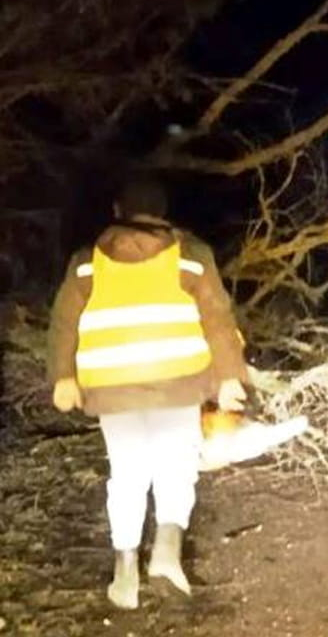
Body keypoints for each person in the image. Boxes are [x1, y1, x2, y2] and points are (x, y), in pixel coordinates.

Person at [46, 177, 249, 609]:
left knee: (128, 473)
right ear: (163, 212)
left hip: (111, 389)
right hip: (178, 383)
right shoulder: (191, 257)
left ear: (118, 210)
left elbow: (64, 322)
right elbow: (217, 317)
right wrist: (230, 376)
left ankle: (125, 575)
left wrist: (63, 377)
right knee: (175, 468)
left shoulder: (87, 262)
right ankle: (166, 554)